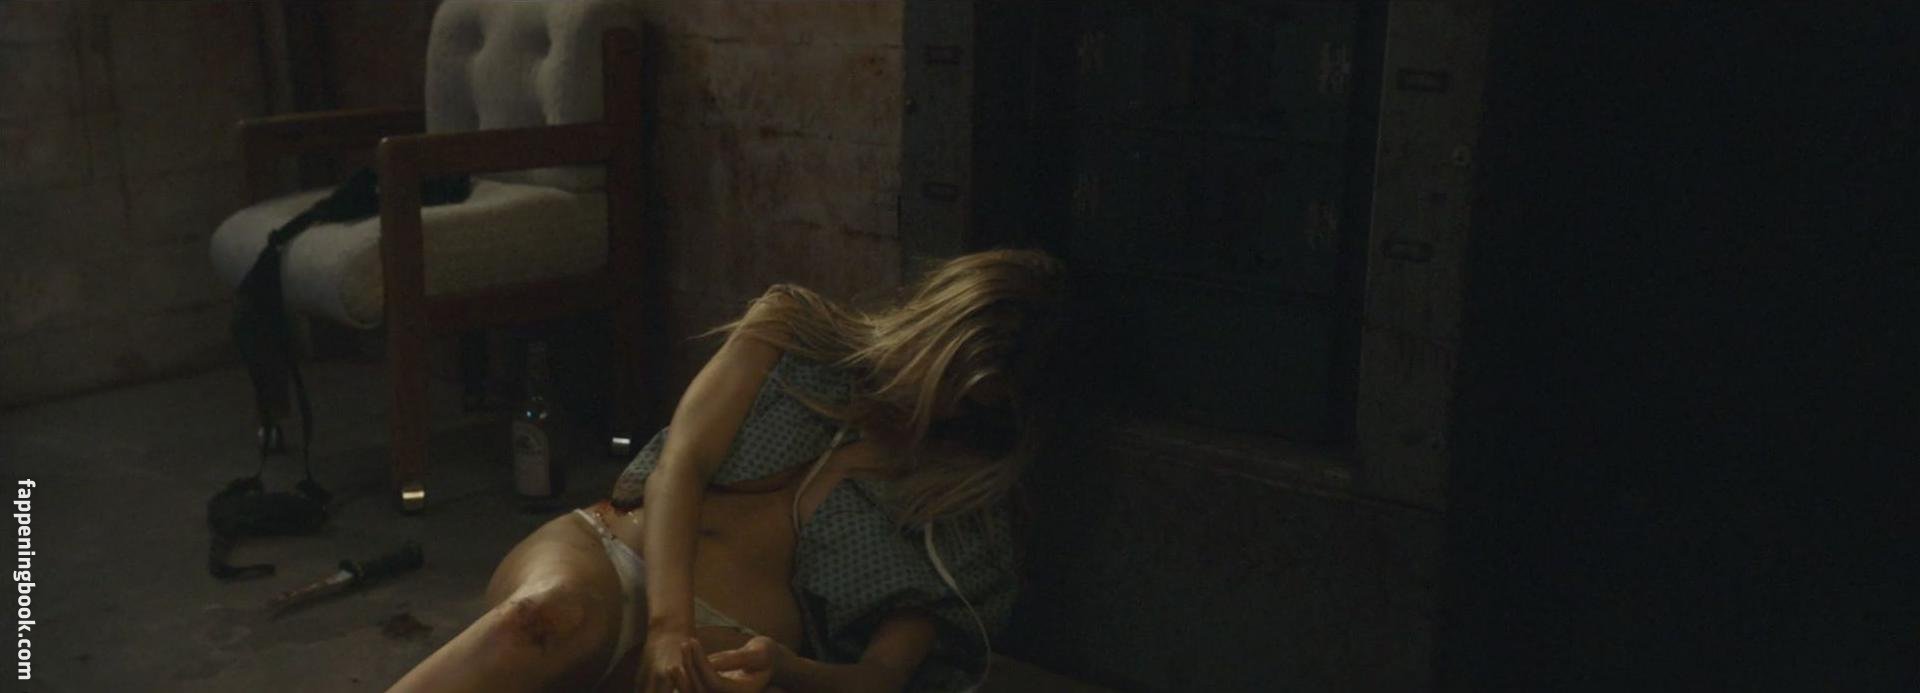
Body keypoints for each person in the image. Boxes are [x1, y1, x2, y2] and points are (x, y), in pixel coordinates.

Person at [390, 249, 1068, 692]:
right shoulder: (792, 330)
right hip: (611, 555)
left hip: (726, 650)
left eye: (969, 405)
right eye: (941, 371)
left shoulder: (955, 503)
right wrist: (667, 626)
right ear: (930, 322)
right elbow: (681, 463)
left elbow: (882, 675)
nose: (937, 405)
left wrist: (790, 669)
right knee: (543, 616)